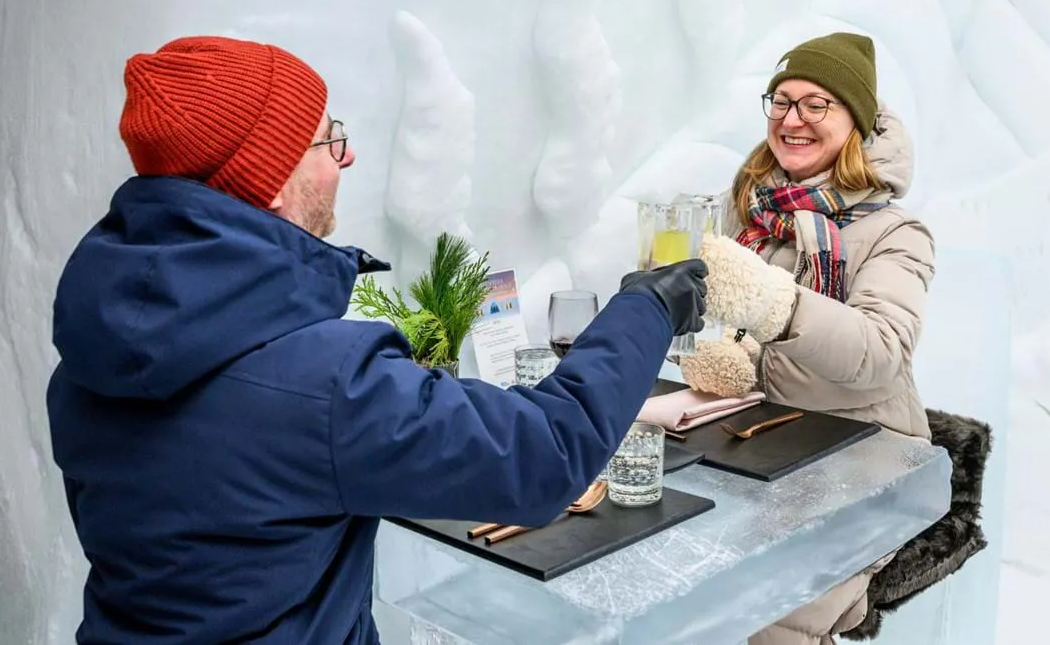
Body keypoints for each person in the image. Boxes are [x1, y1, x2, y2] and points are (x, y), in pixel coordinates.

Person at [46, 35, 708, 645]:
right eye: (327, 140)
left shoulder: (89, 362)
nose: (348, 155)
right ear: (270, 180)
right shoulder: (323, 385)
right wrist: (646, 308)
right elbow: (546, 455)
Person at [678, 32, 934, 644]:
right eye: (782, 101)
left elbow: (881, 352)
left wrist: (778, 304)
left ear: (856, 122)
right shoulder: (750, 211)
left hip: (864, 458)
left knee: (766, 611)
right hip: (760, 441)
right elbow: (732, 329)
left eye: (817, 104)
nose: (793, 119)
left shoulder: (895, 232)